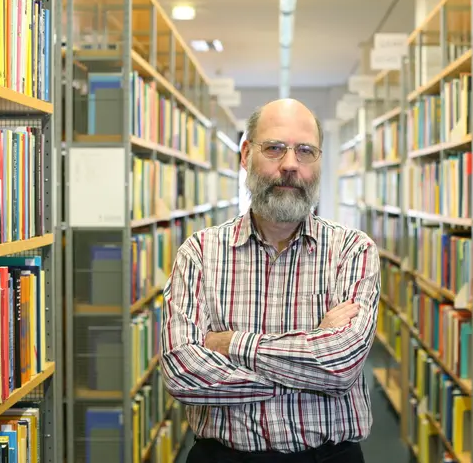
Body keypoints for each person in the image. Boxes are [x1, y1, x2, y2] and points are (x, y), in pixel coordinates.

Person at [160, 98, 381, 463]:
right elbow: (183, 374)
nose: (290, 165)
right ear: (246, 154)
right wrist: (309, 368)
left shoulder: (353, 251)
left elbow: (341, 368)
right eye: (274, 148)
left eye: (305, 151)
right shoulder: (198, 252)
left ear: (319, 161)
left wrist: (229, 344)